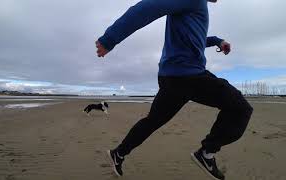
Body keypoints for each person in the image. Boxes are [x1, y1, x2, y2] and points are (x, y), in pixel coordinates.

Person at [95, 0, 253, 179]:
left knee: (152, 121)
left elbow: (195, 39)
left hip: (174, 77)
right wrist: (109, 39)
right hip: (188, 75)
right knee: (241, 108)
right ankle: (207, 153)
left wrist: (217, 41)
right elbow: (148, 7)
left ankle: (119, 153)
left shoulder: (195, 6)